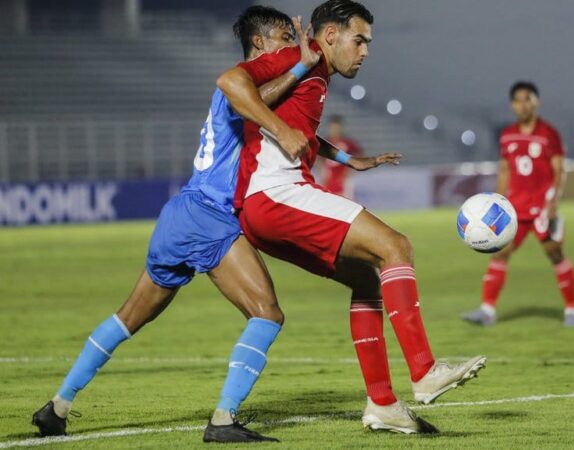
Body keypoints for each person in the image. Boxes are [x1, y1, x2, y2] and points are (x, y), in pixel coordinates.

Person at [31, 8, 334, 443]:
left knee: (127, 319)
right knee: (266, 314)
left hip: (180, 215)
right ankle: (224, 421)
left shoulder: (256, 94)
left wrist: (344, 157)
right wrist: (304, 64)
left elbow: (290, 123)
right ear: (260, 45)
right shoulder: (241, 87)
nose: (291, 44)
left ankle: (57, 406)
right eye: (285, 37)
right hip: (208, 215)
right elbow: (257, 101)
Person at [216, 0, 485, 435]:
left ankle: (382, 404)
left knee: (366, 279)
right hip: (276, 194)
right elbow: (231, 83)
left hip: (267, 207)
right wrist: (288, 117)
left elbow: (291, 118)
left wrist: (345, 157)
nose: (365, 51)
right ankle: (424, 370)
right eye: (359, 40)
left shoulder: (314, 70)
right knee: (395, 246)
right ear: (329, 36)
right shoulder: (299, 56)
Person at [461, 81, 574, 327]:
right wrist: (497, 201)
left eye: (528, 99)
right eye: (518, 100)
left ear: (537, 102)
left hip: (542, 208)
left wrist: (553, 203)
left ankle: (572, 310)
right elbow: (505, 170)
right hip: (515, 208)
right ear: (512, 105)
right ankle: (487, 310)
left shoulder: (549, 133)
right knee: (500, 253)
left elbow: (560, 170)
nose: (523, 104)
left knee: (555, 253)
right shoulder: (507, 135)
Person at [319, 115, 363, 198]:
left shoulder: (348, 143)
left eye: (337, 128)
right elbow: (318, 158)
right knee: (328, 200)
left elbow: (359, 155)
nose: (335, 130)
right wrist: (322, 171)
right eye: (333, 128)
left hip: (344, 179)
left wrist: (350, 169)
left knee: (348, 202)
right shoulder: (325, 142)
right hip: (329, 178)